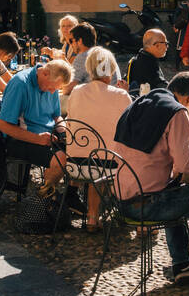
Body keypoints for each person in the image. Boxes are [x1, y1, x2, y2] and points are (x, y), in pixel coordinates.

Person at [111, 72, 189, 283]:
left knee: (174, 189)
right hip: (148, 203)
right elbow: (185, 164)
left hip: (119, 197)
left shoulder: (141, 102)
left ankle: (181, 263)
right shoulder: (177, 112)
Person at [43, 46, 133, 231]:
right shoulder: (121, 95)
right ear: (112, 69)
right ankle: (129, 214)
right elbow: (130, 129)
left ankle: (92, 218)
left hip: (75, 163)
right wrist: (125, 94)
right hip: (108, 165)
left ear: (89, 69)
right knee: (115, 158)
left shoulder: (77, 92)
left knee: (96, 162)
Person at [0, 59, 69, 214]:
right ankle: (41, 203)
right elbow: (4, 126)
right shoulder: (20, 84)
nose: (53, 92)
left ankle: (67, 198)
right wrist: (37, 138)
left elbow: (56, 116)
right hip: (20, 139)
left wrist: (63, 129)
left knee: (78, 153)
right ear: (44, 73)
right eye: (52, 87)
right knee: (61, 160)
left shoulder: (49, 83)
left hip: (46, 136)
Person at [66, 22, 122, 90]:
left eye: (71, 40)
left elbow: (68, 88)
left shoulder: (83, 56)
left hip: (100, 98)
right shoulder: (106, 54)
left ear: (80, 41)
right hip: (116, 95)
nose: (70, 44)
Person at [125, 29, 169, 96]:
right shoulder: (150, 64)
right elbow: (162, 86)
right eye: (166, 44)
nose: (167, 47)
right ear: (157, 45)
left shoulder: (135, 60)